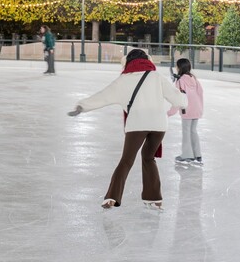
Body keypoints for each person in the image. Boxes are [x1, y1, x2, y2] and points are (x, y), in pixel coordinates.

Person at [69, 48, 187, 210]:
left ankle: (111, 197)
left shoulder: (123, 79)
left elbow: (102, 96)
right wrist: (184, 100)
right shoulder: (156, 76)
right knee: (148, 157)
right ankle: (155, 199)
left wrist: (82, 106)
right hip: (159, 125)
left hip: (137, 124)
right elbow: (177, 98)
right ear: (147, 60)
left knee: (126, 160)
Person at [168, 58, 205, 166]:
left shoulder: (180, 81)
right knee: (193, 131)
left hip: (187, 109)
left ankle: (187, 155)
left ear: (179, 67)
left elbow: (178, 98)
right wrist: (200, 109)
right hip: (197, 109)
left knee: (186, 131)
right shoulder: (194, 78)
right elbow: (200, 94)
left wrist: (169, 112)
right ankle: (197, 154)